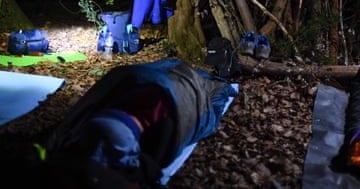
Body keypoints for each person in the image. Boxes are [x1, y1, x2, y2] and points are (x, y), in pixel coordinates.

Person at [33, 58, 238, 188]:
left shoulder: (146, 90)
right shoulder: (174, 111)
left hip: (108, 116)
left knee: (92, 153)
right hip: (125, 127)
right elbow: (210, 111)